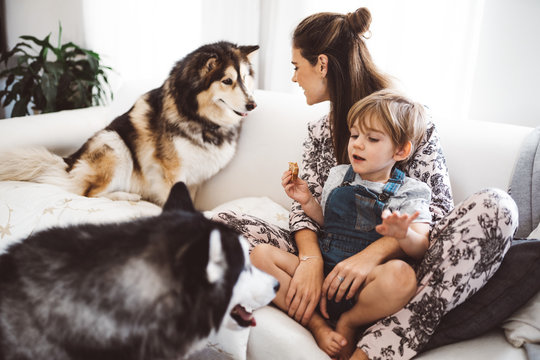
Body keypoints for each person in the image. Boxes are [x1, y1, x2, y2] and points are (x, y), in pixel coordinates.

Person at [214, 7, 518, 360]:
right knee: (219, 227)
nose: (294, 78)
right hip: (329, 252)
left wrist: (372, 255)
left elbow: (434, 212)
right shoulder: (319, 131)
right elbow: (309, 208)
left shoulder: (405, 119)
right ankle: (321, 315)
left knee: (498, 207)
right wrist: (311, 260)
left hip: (398, 261)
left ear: (322, 64)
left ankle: (382, 339)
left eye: (296, 66)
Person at [272, 89, 432, 357]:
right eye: (355, 135)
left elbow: (421, 246)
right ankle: (317, 324)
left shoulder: (412, 191)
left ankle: (350, 321)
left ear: (401, 149)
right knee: (261, 257)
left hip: (365, 287)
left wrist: (403, 235)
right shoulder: (338, 175)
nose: (357, 144)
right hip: (324, 274)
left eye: (372, 139)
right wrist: (308, 201)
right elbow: (328, 221)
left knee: (403, 277)